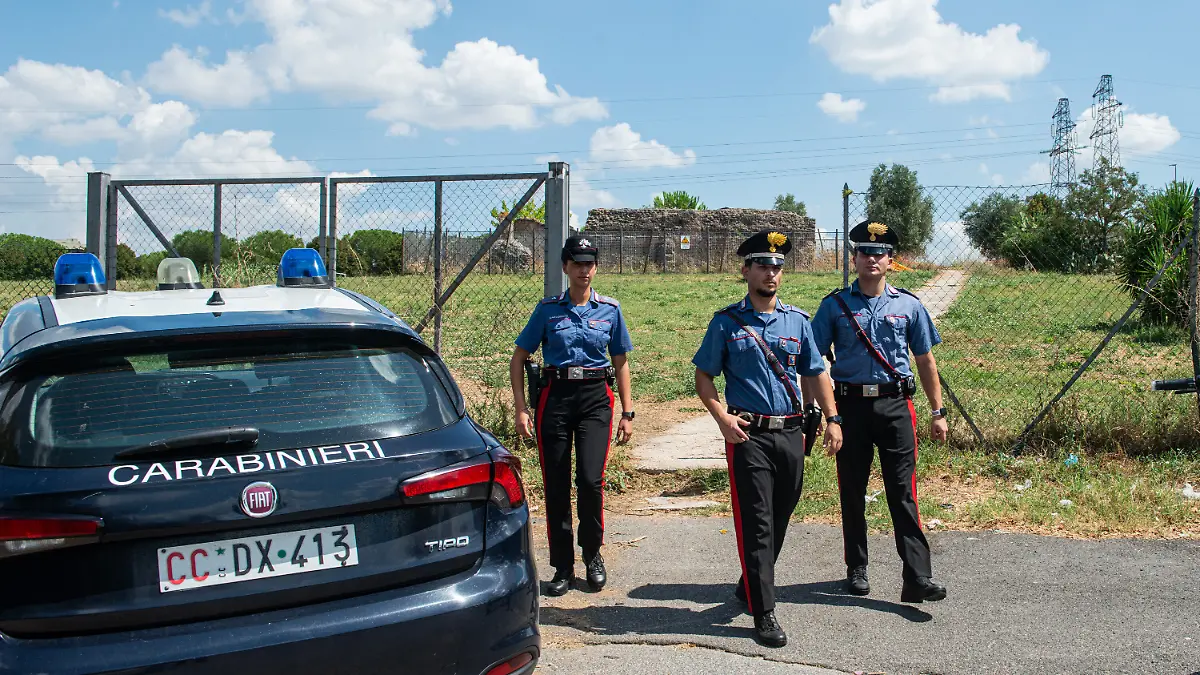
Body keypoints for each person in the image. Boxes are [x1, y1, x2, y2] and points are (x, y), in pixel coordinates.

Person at [692, 230, 843, 648]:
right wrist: (721, 416)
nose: (771, 272)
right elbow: (704, 376)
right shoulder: (726, 322)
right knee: (757, 523)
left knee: (780, 516)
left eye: (777, 266)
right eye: (762, 265)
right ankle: (764, 611)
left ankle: (748, 586)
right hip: (748, 435)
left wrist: (832, 419)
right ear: (745, 271)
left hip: (791, 433)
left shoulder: (798, 321)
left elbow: (815, 371)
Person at [809, 219, 949, 604]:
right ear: (854, 258)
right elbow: (812, 359)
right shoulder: (834, 306)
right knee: (851, 490)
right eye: (865, 252)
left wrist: (938, 411)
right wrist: (825, 412)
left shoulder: (909, 306)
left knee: (902, 492)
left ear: (891, 260)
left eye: (880, 253)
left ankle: (917, 577)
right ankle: (856, 567)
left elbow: (925, 360)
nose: (872, 259)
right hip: (850, 407)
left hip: (895, 407)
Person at [510, 235, 634, 597]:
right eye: (577, 263)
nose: (584, 270)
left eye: (590, 263)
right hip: (556, 397)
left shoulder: (610, 309)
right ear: (565, 266)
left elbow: (621, 361)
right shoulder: (548, 310)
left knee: (591, 481)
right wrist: (521, 408)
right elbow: (519, 358)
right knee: (557, 484)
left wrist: (628, 411)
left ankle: (592, 554)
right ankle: (563, 565)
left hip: (596, 398)